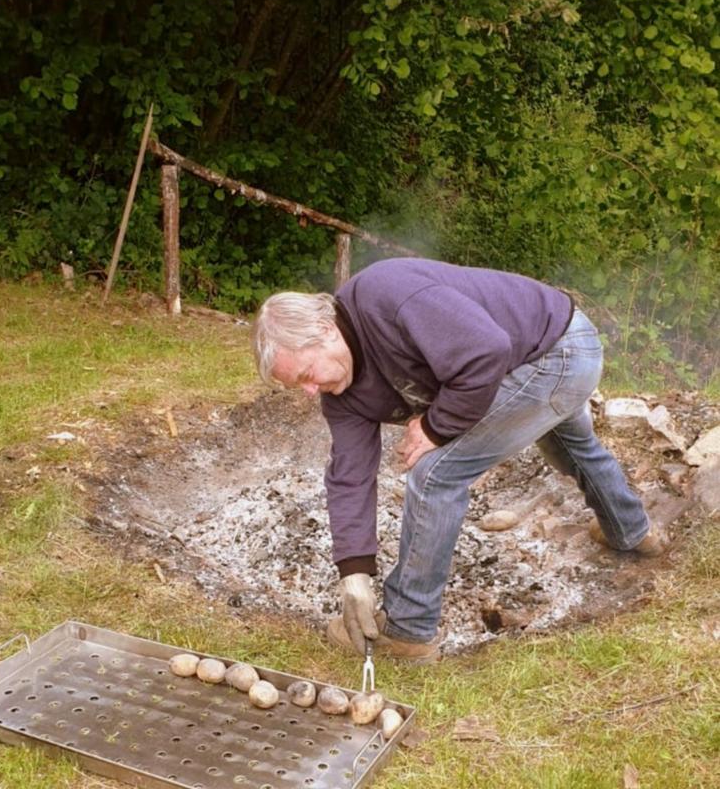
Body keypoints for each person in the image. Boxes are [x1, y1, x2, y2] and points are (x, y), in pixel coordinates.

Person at [251, 257, 663, 664]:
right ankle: (630, 530)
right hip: (532, 360)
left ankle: (408, 629)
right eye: (298, 385)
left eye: (305, 374)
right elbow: (350, 476)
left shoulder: (386, 295)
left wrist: (435, 427)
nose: (309, 391)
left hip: (560, 352)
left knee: (436, 472)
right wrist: (353, 571)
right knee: (567, 445)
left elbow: (486, 352)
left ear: (325, 331)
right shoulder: (341, 393)